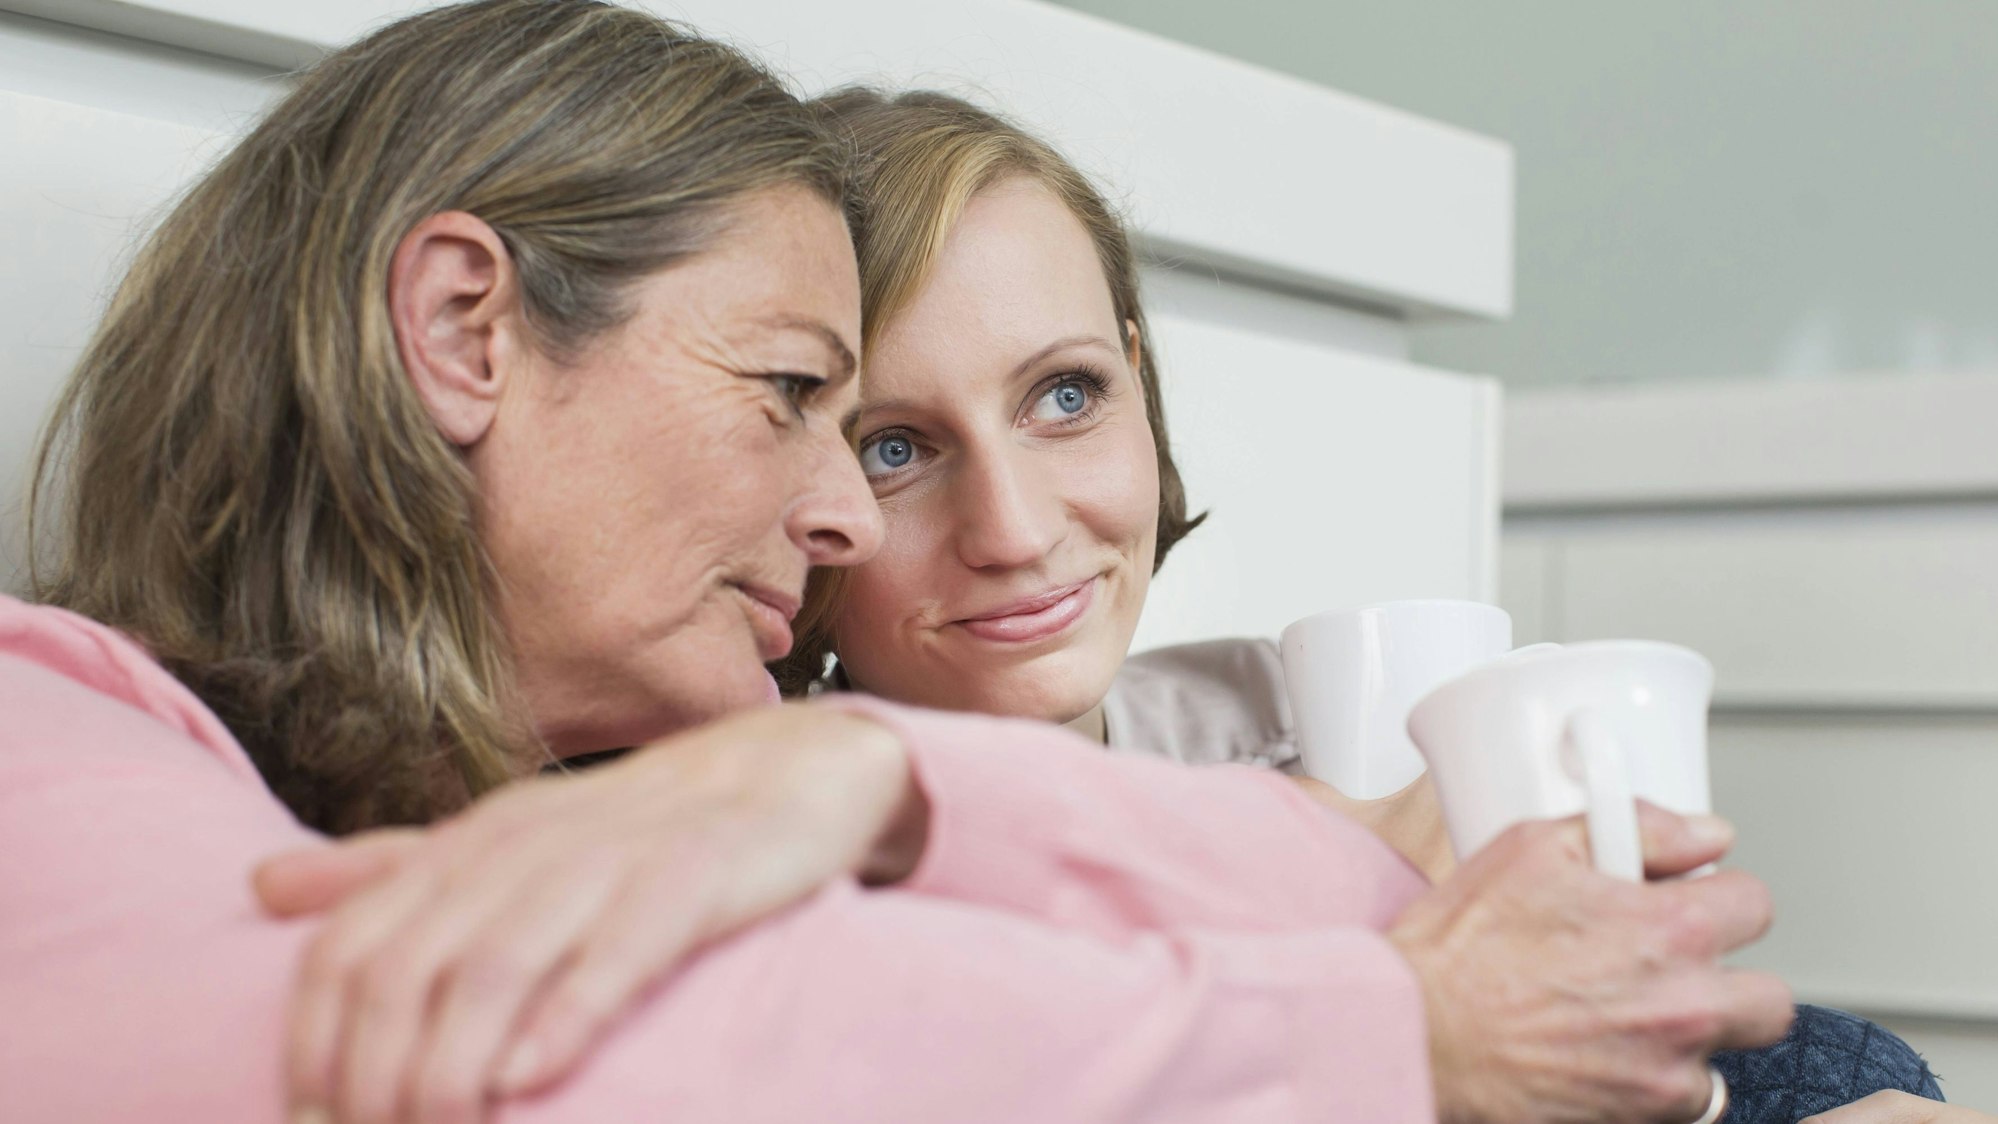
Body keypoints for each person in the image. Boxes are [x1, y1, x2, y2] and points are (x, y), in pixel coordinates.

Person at [4, 3, 1793, 1123]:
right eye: (813, 402)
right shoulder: (43, 731)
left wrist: (852, 769)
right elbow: (700, 1053)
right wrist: (1398, 1023)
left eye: (1072, 396)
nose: (855, 513)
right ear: (469, 326)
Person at [779, 87, 1952, 1117]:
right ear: (797, 502)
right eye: (895, 449)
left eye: (1066, 394)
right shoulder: (776, 847)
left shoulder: (1278, 713)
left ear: (1139, 376)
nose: (1017, 528)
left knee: (1849, 1066)